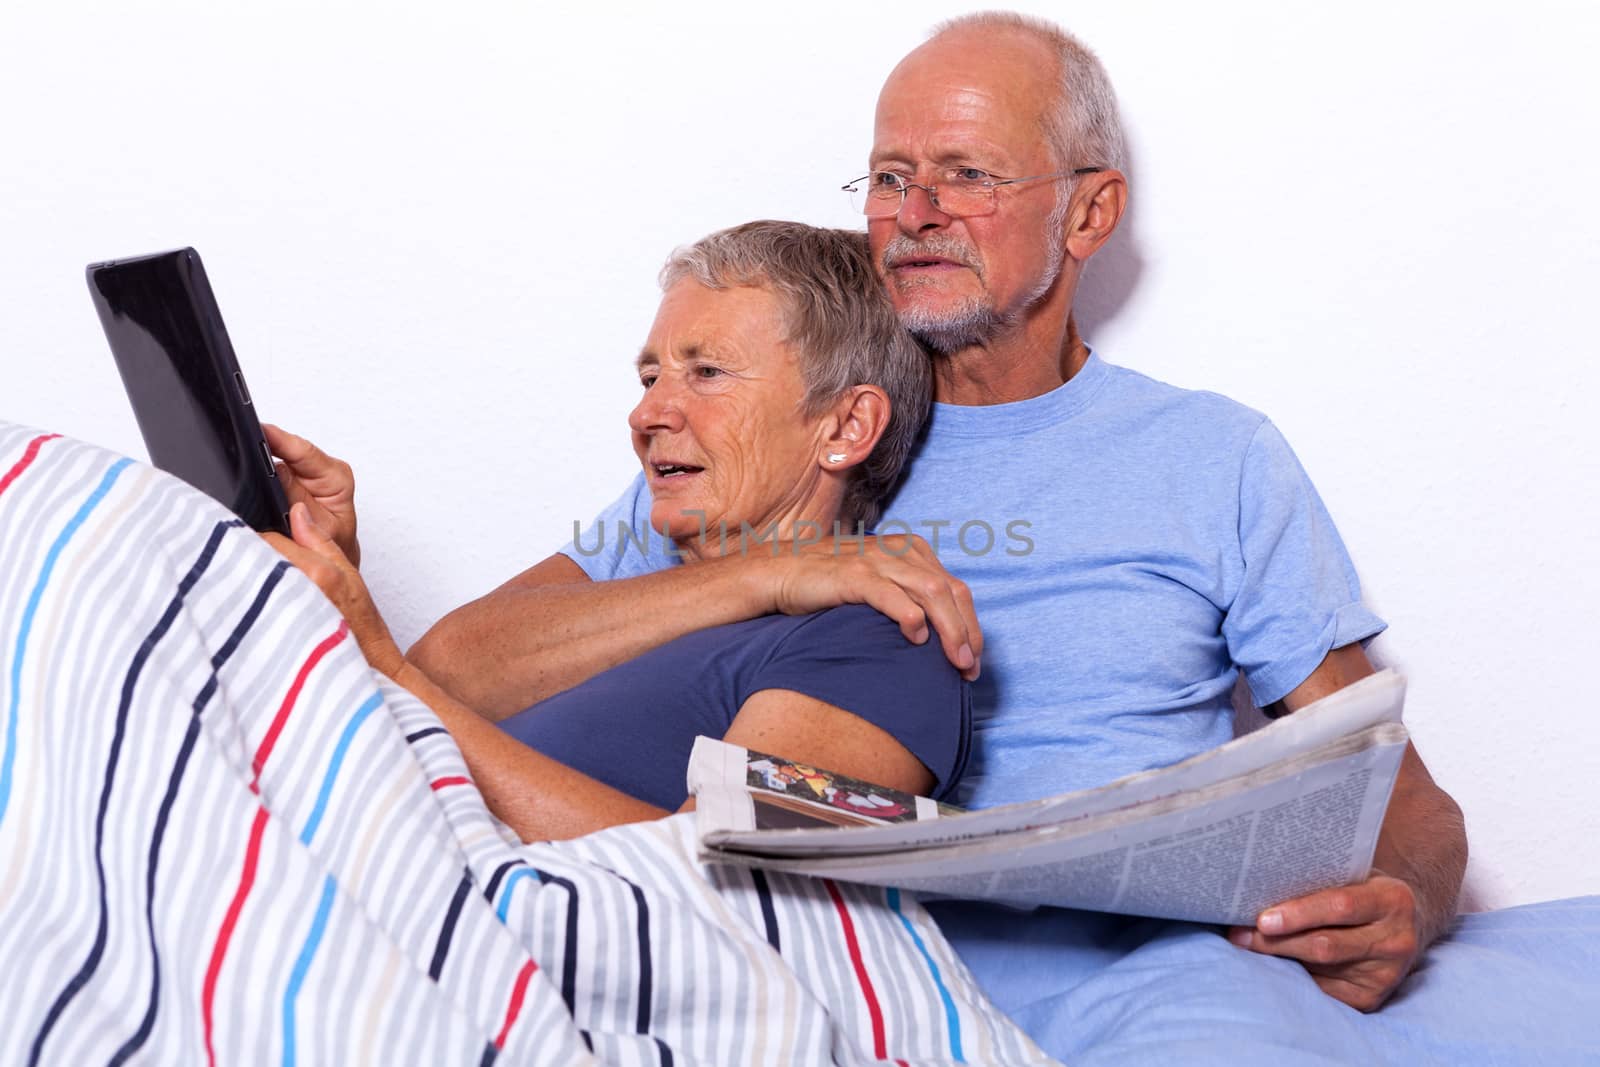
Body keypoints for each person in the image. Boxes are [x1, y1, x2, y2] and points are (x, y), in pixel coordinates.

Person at [269, 219, 970, 839]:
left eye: (707, 372)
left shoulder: (881, 638)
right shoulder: (645, 603)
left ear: (846, 426)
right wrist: (763, 574)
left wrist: (387, 672)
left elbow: (719, 893)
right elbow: (441, 668)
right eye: (649, 378)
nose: (648, 415)